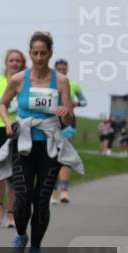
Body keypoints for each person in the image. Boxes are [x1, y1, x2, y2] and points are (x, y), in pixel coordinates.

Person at [0, 32, 83, 253]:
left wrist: (67, 113)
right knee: (22, 199)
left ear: (50, 54)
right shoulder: (19, 79)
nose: (39, 57)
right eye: (35, 53)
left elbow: (69, 119)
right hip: (23, 145)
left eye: (44, 53)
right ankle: (21, 236)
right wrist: (7, 122)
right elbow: (1, 103)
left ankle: (36, 248)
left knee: (41, 200)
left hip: (50, 147)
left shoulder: (61, 81)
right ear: (30, 54)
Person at [0, 49, 27, 228]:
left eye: (18, 61)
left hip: (18, 130)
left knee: (14, 176)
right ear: (6, 63)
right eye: (11, 60)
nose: (15, 63)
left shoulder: (27, 83)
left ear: (23, 64)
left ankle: (11, 212)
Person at [51, 59, 87, 204]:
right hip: (51, 122)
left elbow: (85, 101)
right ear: (55, 69)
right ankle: (53, 191)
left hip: (68, 122)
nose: (61, 71)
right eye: (59, 69)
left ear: (67, 70)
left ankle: (64, 191)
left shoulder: (73, 85)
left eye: (64, 69)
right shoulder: (49, 83)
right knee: (52, 156)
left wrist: (76, 103)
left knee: (65, 155)